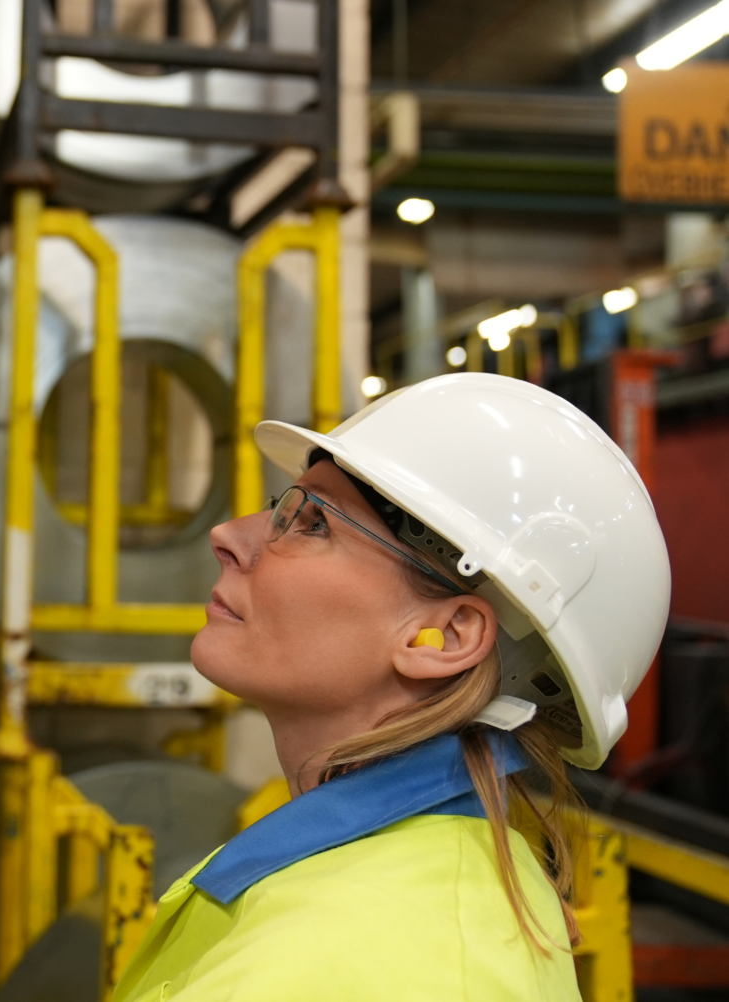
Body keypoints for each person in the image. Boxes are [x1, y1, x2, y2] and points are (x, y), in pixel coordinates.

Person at [113, 372, 670, 1001]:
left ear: (447, 636)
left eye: (313, 522)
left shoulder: (341, 964)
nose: (229, 537)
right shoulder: (420, 881)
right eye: (283, 507)